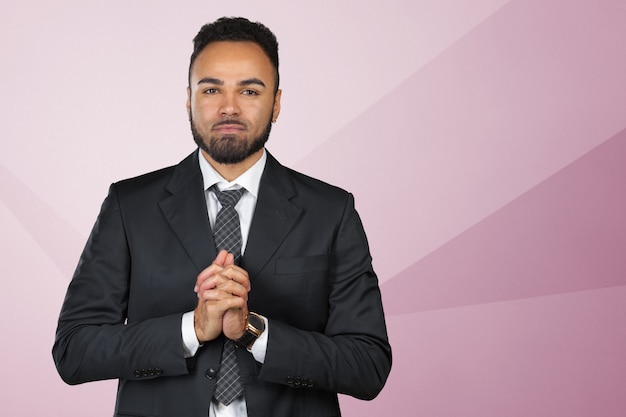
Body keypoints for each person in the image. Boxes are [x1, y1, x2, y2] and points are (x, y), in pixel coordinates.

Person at [53, 16, 392, 417]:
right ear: (189, 99)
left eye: (249, 90)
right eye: (211, 88)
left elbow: (369, 365)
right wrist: (191, 330)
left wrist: (254, 332)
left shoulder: (331, 211)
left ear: (277, 103)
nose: (229, 107)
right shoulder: (129, 205)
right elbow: (74, 350)